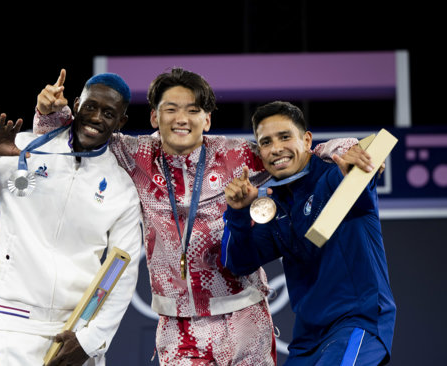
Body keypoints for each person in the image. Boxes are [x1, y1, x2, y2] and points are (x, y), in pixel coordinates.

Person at [34, 68, 372, 365]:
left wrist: (343, 148)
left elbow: (297, 154)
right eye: (171, 109)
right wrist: (49, 111)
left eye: (193, 110)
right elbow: (75, 137)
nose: (182, 118)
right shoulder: (133, 154)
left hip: (245, 320)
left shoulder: (236, 155)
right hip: (179, 331)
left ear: (206, 120)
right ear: (155, 117)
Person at [0, 72, 143, 366]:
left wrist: (90, 341)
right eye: (91, 106)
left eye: (108, 113)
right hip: (16, 327)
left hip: (75, 333)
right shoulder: (24, 148)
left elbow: (123, 272)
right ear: (78, 104)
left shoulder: (122, 188)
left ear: (121, 122)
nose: (96, 118)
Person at [221, 101, 396, 365]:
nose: (276, 148)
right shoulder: (273, 204)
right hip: (307, 340)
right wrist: (237, 214)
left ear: (306, 139)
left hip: (357, 323)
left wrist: (358, 161)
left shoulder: (332, 175)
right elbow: (239, 263)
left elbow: (360, 168)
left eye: (285, 137)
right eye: (266, 142)